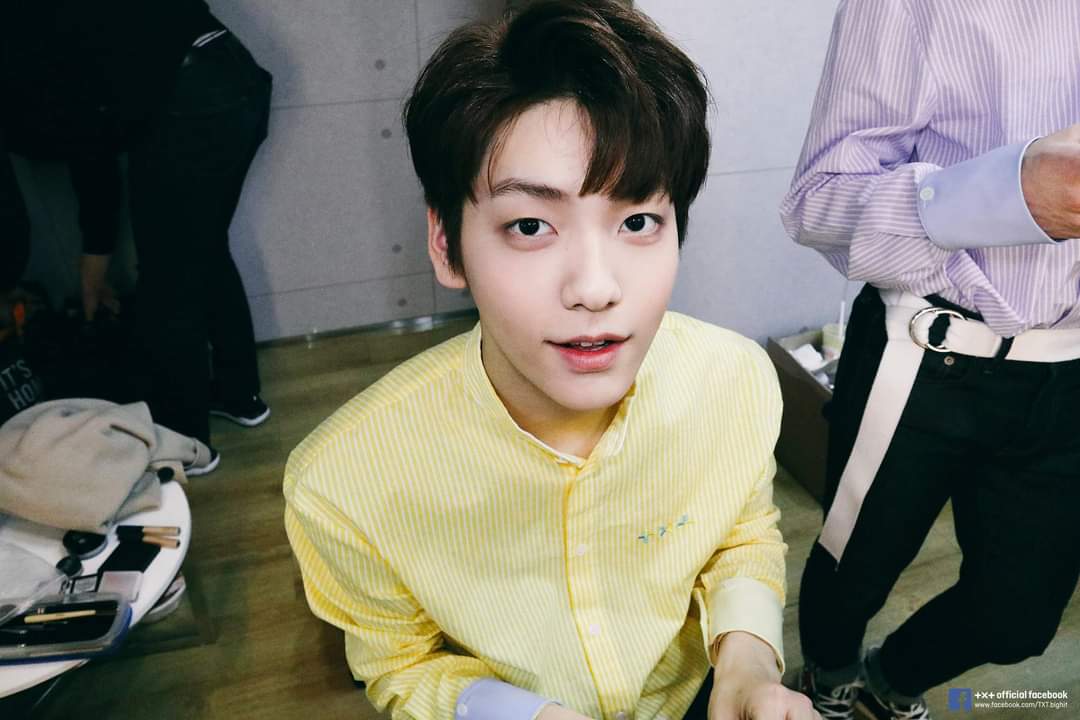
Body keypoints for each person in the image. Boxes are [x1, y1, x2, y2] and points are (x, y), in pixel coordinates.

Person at [285, 2, 818, 719]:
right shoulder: (344, 481)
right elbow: (400, 663)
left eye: (638, 221)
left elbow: (741, 537)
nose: (595, 288)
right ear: (446, 245)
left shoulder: (734, 381)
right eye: (531, 225)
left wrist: (747, 668)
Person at [780, 1, 1080, 718]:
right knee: (853, 566)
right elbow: (816, 203)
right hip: (927, 352)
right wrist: (1005, 196)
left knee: (1019, 616)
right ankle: (828, 677)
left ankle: (890, 681)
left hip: (1069, 372)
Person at [0, 1, 273, 466]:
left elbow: (88, 141)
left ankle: (185, 446)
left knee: (168, 281)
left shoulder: (21, 33)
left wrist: (94, 262)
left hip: (188, 97)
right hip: (232, 73)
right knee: (206, 250)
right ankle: (239, 395)